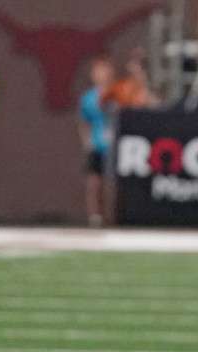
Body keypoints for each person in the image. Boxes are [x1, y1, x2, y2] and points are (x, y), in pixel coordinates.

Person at [78, 57, 114, 228]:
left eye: (104, 71)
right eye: (97, 72)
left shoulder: (117, 93)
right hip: (96, 145)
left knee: (112, 184)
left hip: (114, 146)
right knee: (93, 183)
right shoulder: (88, 98)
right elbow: (84, 122)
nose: (101, 75)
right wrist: (87, 142)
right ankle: (95, 217)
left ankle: (112, 217)